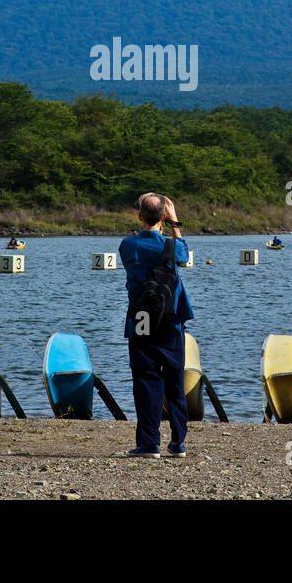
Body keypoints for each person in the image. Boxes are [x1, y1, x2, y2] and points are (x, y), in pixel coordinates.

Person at [119, 192, 193, 458]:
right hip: (171, 320)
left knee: (146, 379)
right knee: (174, 379)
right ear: (163, 216)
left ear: (139, 216)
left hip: (141, 319)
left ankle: (149, 444)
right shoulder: (171, 247)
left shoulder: (128, 245)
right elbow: (183, 255)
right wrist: (174, 223)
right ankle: (178, 443)